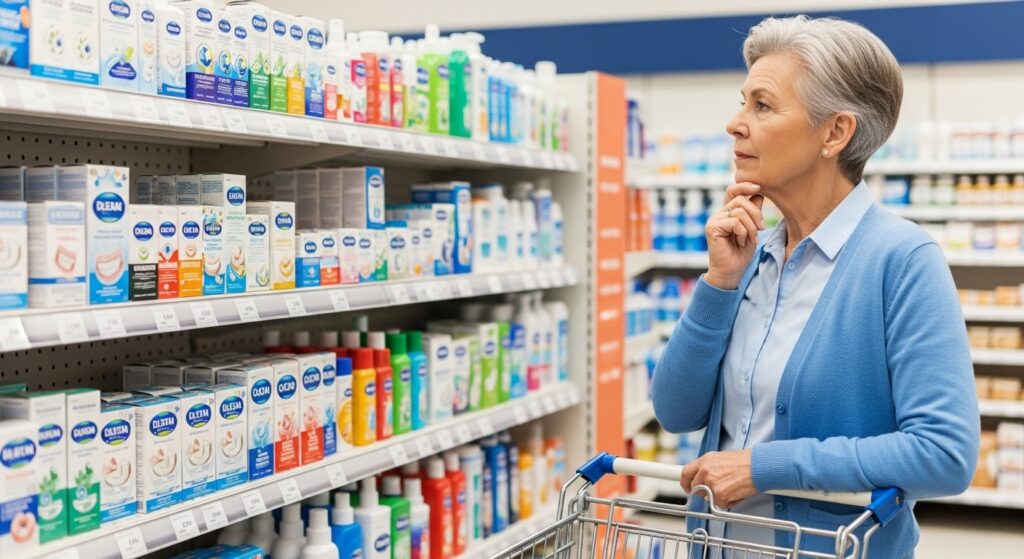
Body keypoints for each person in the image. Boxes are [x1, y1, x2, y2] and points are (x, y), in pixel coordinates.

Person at [651, 15, 979, 558]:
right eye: (742, 101)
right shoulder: (752, 255)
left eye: (762, 105)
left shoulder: (901, 261)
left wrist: (766, 467)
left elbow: (944, 453)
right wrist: (720, 282)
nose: (735, 123)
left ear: (835, 133)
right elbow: (675, 410)